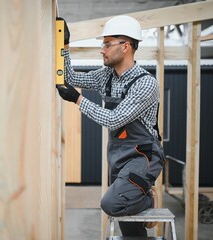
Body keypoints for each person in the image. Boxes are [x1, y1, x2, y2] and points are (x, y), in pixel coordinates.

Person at [56, 15, 165, 237]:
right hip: (118, 155)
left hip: (142, 157)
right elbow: (70, 77)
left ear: (126, 46)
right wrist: (65, 45)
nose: (102, 50)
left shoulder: (145, 84)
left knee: (112, 204)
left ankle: (148, 197)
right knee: (129, 226)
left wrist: (78, 100)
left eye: (107, 44)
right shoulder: (107, 76)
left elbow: (114, 119)